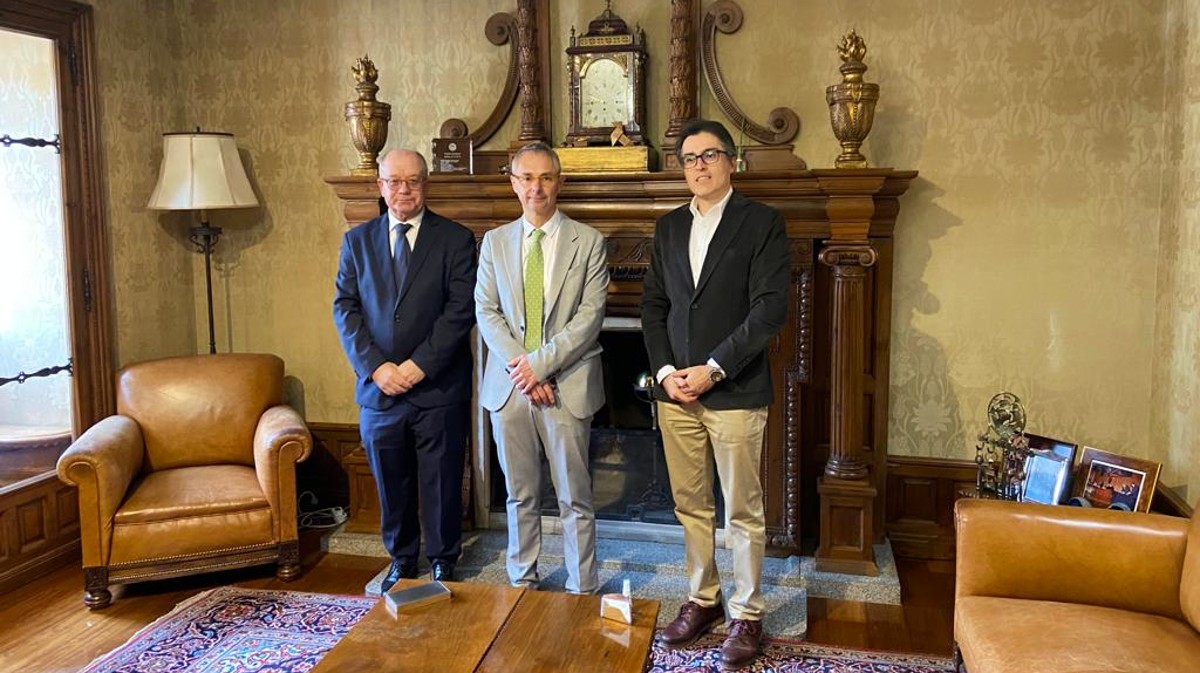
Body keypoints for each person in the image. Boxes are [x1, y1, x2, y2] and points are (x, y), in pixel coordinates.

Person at [641, 119, 790, 670]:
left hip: (736, 391)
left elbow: (768, 310)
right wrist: (665, 373)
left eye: (709, 155)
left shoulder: (762, 223)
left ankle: (747, 614)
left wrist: (713, 369)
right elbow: (653, 307)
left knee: (743, 509)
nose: (699, 166)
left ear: (731, 162)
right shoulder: (668, 227)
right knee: (691, 506)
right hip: (675, 395)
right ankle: (702, 600)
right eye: (689, 158)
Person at [333, 149, 477, 591]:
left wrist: (419, 366)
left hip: (438, 387)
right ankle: (401, 558)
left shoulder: (455, 239)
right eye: (394, 181)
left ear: (425, 184)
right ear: (380, 186)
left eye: (413, 181)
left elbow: (460, 311)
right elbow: (346, 310)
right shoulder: (357, 242)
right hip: (380, 390)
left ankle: (443, 558)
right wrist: (376, 368)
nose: (404, 190)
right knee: (391, 482)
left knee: (442, 479)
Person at [475, 142, 608, 595]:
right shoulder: (494, 243)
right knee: (520, 494)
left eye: (546, 177)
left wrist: (541, 366)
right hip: (509, 390)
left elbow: (589, 318)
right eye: (527, 178)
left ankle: (582, 586)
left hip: (566, 385)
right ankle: (522, 580)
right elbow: (486, 311)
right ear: (514, 183)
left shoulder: (589, 242)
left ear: (559, 182)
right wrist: (524, 371)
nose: (537, 187)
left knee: (574, 495)